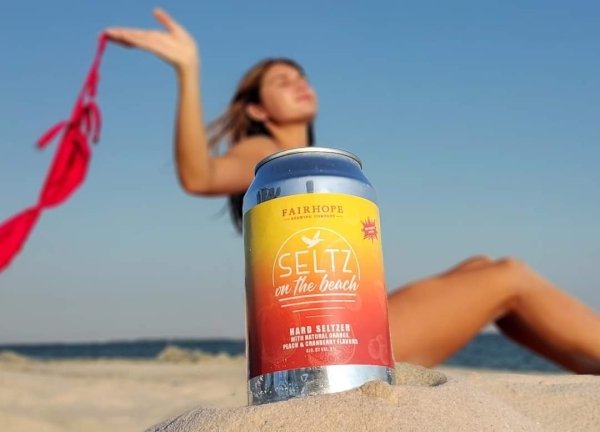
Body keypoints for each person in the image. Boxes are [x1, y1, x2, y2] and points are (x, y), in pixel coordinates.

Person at [105, 8, 600, 374]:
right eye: (282, 82)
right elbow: (200, 177)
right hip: (329, 340)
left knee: (479, 266)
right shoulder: (263, 150)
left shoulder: (314, 162)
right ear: (257, 109)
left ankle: (588, 370)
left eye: (301, 76)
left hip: (341, 323)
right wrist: (188, 70)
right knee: (507, 275)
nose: (300, 84)